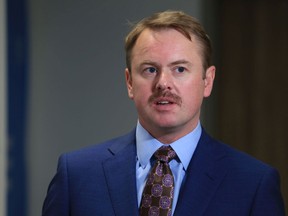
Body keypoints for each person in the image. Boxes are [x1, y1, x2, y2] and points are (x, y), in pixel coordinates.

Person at [42, 10, 285, 216]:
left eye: (179, 69)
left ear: (207, 81)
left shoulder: (253, 184)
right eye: (150, 70)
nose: (163, 83)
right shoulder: (76, 175)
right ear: (129, 82)